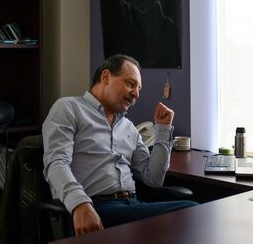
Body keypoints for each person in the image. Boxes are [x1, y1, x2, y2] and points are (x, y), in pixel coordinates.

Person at [42, 54, 197, 236]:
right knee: (192, 212)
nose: (136, 94)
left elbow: (153, 179)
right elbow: (56, 162)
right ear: (106, 77)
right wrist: (79, 204)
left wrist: (163, 129)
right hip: (94, 208)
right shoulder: (68, 108)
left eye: (139, 88)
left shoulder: (128, 127)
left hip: (131, 206)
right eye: (131, 84)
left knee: (196, 214)